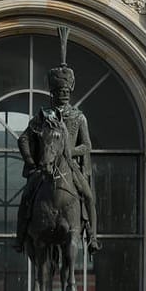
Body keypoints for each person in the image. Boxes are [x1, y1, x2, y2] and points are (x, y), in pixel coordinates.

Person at [16, 53, 98, 256]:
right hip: (45, 166)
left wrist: (70, 151)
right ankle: (20, 236)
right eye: (59, 91)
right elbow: (23, 139)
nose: (63, 94)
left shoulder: (78, 117)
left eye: (65, 91)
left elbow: (86, 145)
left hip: (70, 167)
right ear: (52, 92)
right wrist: (30, 160)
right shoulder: (43, 117)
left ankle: (93, 235)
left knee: (88, 196)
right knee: (26, 196)